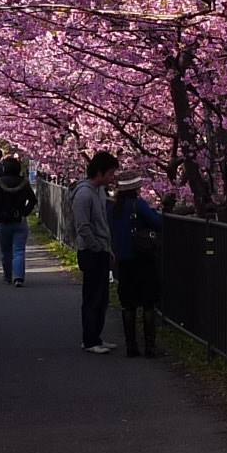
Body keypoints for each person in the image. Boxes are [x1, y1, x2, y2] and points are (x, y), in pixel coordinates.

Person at [110, 176, 166, 357]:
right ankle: (149, 347)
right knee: (148, 303)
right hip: (143, 259)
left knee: (128, 304)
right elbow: (157, 223)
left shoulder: (112, 207)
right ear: (135, 189)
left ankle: (131, 346)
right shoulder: (138, 205)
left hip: (123, 260)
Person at [69, 151, 119, 353]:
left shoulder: (98, 191)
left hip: (101, 250)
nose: (112, 178)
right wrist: (97, 246)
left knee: (102, 297)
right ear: (99, 172)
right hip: (91, 251)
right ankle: (89, 340)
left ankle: (96, 337)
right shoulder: (84, 194)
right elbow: (83, 226)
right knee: (92, 297)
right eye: (110, 174)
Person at [0, 156, 38, 287]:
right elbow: (32, 200)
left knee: (6, 251)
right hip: (19, 220)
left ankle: (8, 276)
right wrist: (24, 212)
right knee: (19, 250)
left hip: (3, 222)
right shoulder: (24, 183)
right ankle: (18, 277)